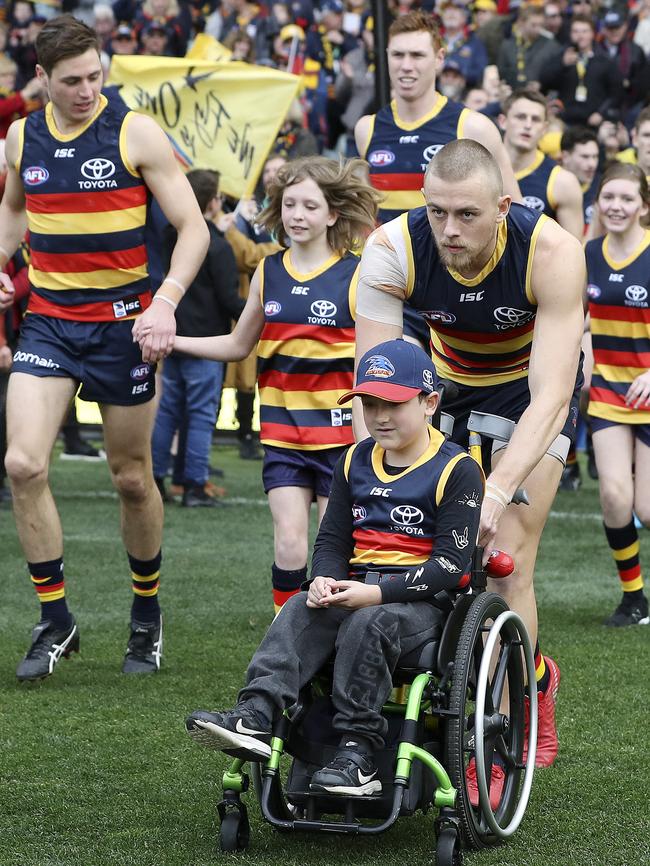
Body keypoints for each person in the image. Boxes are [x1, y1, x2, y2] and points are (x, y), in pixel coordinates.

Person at [353, 139, 586, 790]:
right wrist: (368, 482)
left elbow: (553, 395)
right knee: (407, 541)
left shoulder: (554, 251)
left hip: (527, 394)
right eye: (437, 212)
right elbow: (373, 388)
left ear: (503, 208)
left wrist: (498, 488)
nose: (449, 230)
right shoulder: (391, 247)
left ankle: (505, 732)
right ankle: (528, 672)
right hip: (446, 386)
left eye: (467, 215)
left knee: (504, 559)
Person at [0, 15, 209, 681]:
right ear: (43, 79)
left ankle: (146, 612)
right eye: (72, 81)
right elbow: (13, 208)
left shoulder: (135, 131)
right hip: (51, 323)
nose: (87, 89)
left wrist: (165, 303)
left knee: (129, 475)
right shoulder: (19, 135)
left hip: (125, 325)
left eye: (95, 75)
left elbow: (193, 227)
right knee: (24, 465)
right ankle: (56, 619)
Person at [185, 338, 483, 797]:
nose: (379, 416)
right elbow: (331, 540)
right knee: (300, 606)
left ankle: (358, 753)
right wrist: (323, 576)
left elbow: (450, 565)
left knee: (370, 621)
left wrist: (376, 593)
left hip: (422, 606)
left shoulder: (458, 469)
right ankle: (255, 716)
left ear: (429, 403)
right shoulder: (353, 459)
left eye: (393, 404)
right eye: (369, 403)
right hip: (356, 587)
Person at [173, 156, 381, 612]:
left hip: (339, 442)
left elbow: (369, 368)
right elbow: (237, 344)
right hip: (283, 436)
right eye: (289, 204)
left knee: (333, 557)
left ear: (332, 214)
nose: (297, 215)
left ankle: (331, 648)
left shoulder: (357, 274)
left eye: (310, 206)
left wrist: (366, 446)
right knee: (288, 543)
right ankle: (287, 644)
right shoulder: (270, 270)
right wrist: (175, 341)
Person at [355, 10, 520, 227]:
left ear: (439, 58)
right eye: (397, 55)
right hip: (391, 259)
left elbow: (517, 213)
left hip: (454, 260)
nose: (406, 65)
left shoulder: (473, 128)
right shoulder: (366, 128)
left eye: (417, 55)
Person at [151, 169, 244, 507]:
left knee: (168, 412)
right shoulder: (218, 248)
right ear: (213, 201)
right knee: (202, 415)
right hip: (207, 342)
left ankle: (156, 479)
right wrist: (263, 311)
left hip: (172, 337)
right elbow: (229, 300)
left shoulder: (167, 235)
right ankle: (194, 484)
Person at [585, 163, 650, 627]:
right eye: (610, 197)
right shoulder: (587, 253)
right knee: (612, 495)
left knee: (646, 507)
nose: (617, 206)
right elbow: (578, 318)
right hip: (609, 389)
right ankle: (634, 599)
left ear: (644, 206)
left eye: (627, 199)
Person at [499, 88, 584, 239]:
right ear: (503, 121)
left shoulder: (562, 182)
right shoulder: (480, 167)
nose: (528, 125)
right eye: (521, 117)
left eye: (536, 119)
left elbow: (573, 252)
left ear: (544, 128)